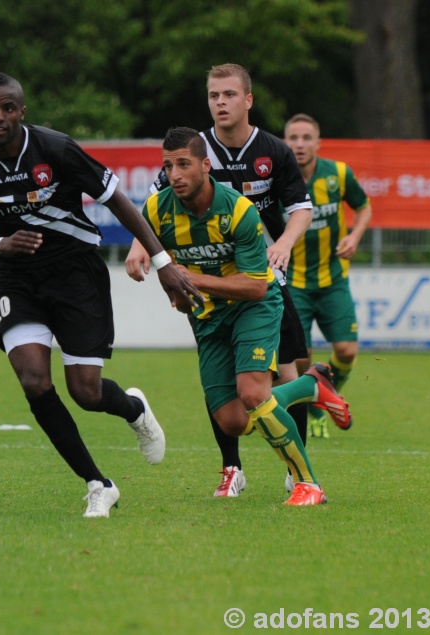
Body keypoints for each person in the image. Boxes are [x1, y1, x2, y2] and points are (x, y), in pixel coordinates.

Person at [0, 72, 203, 518]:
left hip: (76, 273)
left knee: (85, 391)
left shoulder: (55, 149)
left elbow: (117, 199)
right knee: (33, 379)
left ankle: (134, 408)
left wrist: (164, 265)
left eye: (8, 108)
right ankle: (98, 484)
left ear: (22, 113)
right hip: (17, 278)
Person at [126, 63, 317, 496]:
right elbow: (153, 204)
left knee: (288, 373)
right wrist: (141, 246)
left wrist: (284, 242)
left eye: (229, 95)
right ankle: (232, 468)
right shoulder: (191, 150)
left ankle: (295, 464)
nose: (221, 103)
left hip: (260, 279)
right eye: (214, 96)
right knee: (228, 390)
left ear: (248, 100)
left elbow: (301, 207)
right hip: (210, 290)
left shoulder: (273, 151)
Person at [141, 126, 352, 505]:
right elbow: (164, 265)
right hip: (209, 316)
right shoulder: (156, 209)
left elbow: (256, 285)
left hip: (254, 306)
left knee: (254, 393)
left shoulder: (238, 209)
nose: (174, 174)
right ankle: (310, 385)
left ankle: (308, 485)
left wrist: (191, 279)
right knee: (234, 422)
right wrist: (175, 290)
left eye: (184, 164)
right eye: (168, 165)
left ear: (206, 166)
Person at [284, 113, 371, 438]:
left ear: (318, 143)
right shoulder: (279, 181)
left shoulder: (337, 174)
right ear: (285, 142)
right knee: (299, 362)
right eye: (294, 138)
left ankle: (327, 394)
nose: (300, 144)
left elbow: (364, 207)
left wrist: (354, 236)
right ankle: (311, 401)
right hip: (294, 282)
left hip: (333, 278)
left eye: (307, 138)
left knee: (347, 350)